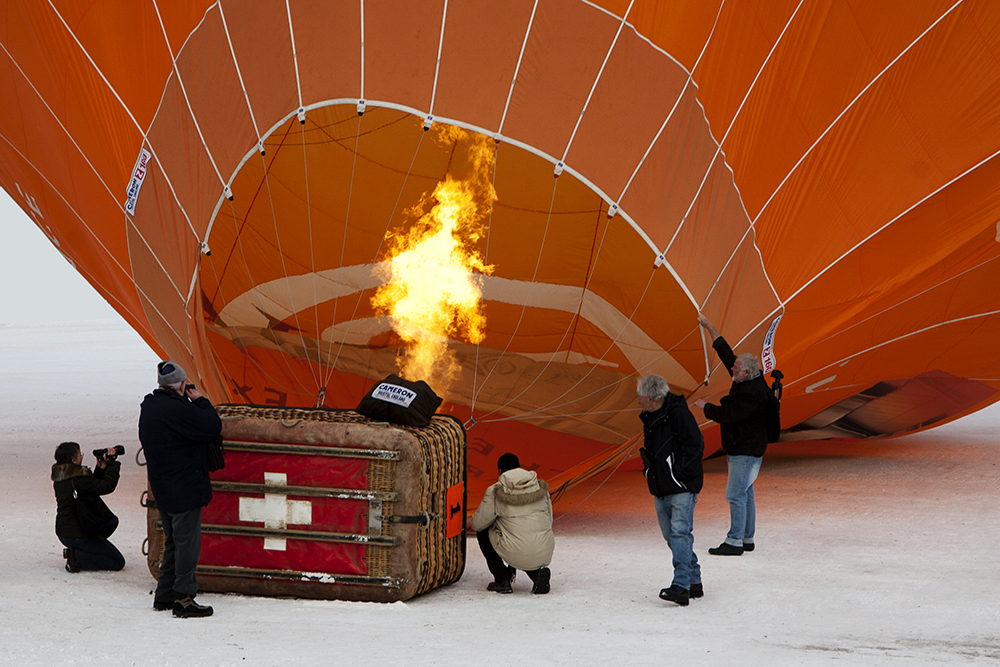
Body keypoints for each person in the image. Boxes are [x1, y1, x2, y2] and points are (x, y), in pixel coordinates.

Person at [139, 361, 222, 618]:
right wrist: (200, 401)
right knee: (187, 544)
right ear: (183, 384)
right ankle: (184, 599)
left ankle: (164, 595)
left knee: (173, 541)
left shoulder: (150, 407)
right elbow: (212, 426)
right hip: (185, 488)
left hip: (162, 488)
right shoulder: (179, 410)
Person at [695, 315, 771, 556]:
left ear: (746, 373)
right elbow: (726, 354)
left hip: (745, 449)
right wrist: (709, 327)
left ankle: (735, 540)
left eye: (736, 369)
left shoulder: (753, 394)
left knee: (735, 494)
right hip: (748, 448)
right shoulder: (748, 377)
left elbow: (728, 414)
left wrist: (704, 407)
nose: (732, 369)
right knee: (745, 491)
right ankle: (747, 537)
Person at [637, 374, 704, 606]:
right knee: (672, 537)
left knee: (679, 534)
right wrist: (650, 472)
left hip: (681, 488)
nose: (637, 402)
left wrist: (679, 474)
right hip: (661, 487)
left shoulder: (679, 414)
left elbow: (695, 445)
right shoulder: (650, 417)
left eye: (639, 397)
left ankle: (681, 585)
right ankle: (694, 580)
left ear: (651, 397)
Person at [470, 453, 554, 595]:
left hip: (515, 549)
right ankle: (537, 575)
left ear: (500, 471)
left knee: (485, 529)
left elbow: (478, 524)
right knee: (525, 532)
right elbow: (549, 520)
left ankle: (502, 579)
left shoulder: (496, 490)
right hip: (544, 550)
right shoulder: (540, 488)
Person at [51, 441, 126, 572]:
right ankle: (75, 558)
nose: (82, 457)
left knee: (111, 522)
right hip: (76, 533)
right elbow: (107, 486)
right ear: (74, 460)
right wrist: (112, 463)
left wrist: (101, 468)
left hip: (69, 529)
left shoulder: (64, 477)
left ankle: (88, 548)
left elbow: (90, 488)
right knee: (117, 562)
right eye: (80, 454)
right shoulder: (77, 480)